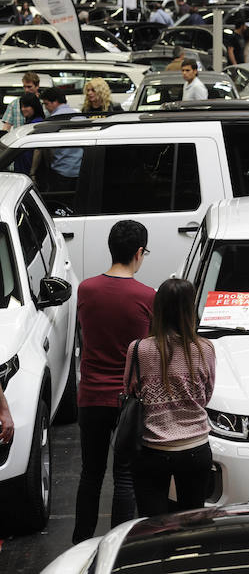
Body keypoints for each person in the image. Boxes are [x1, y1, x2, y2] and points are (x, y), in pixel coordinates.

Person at [72, 220, 156, 543]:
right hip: (129, 401)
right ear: (138, 253)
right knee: (124, 476)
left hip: (91, 396)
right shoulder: (147, 296)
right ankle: (119, 545)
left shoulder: (86, 290)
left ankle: (81, 544)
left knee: (90, 475)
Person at [128, 278, 215, 517]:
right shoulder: (204, 349)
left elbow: (130, 390)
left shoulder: (139, 349)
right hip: (196, 448)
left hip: (153, 448)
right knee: (192, 521)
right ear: (190, 309)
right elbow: (206, 395)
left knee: (152, 524)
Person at [40, 88, 83, 186]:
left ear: (54, 102)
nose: (46, 108)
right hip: (81, 171)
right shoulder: (81, 117)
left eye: (46, 104)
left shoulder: (51, 121)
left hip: (60, 172)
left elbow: (48, 150)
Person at [14, 93, 43, 174]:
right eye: (21, 107)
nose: (23, 109)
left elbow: (38, 150)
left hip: (28, 169)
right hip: (24, 168)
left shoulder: (36, 124)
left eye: (26, 106)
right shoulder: (29, 122)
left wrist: (32, 172)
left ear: (34, 106)